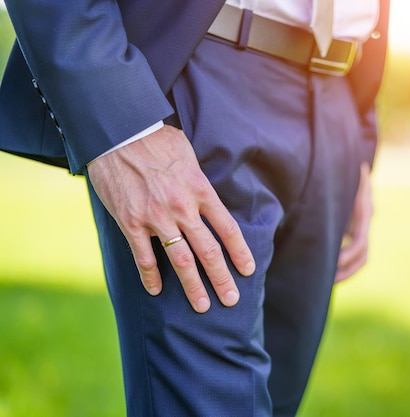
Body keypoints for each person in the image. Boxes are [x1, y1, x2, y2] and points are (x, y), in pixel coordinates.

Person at [0, 0, 389, 415]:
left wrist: (359, 138)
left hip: (337, 96)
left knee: (279, 404)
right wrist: (120, 124)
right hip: (196, 79)